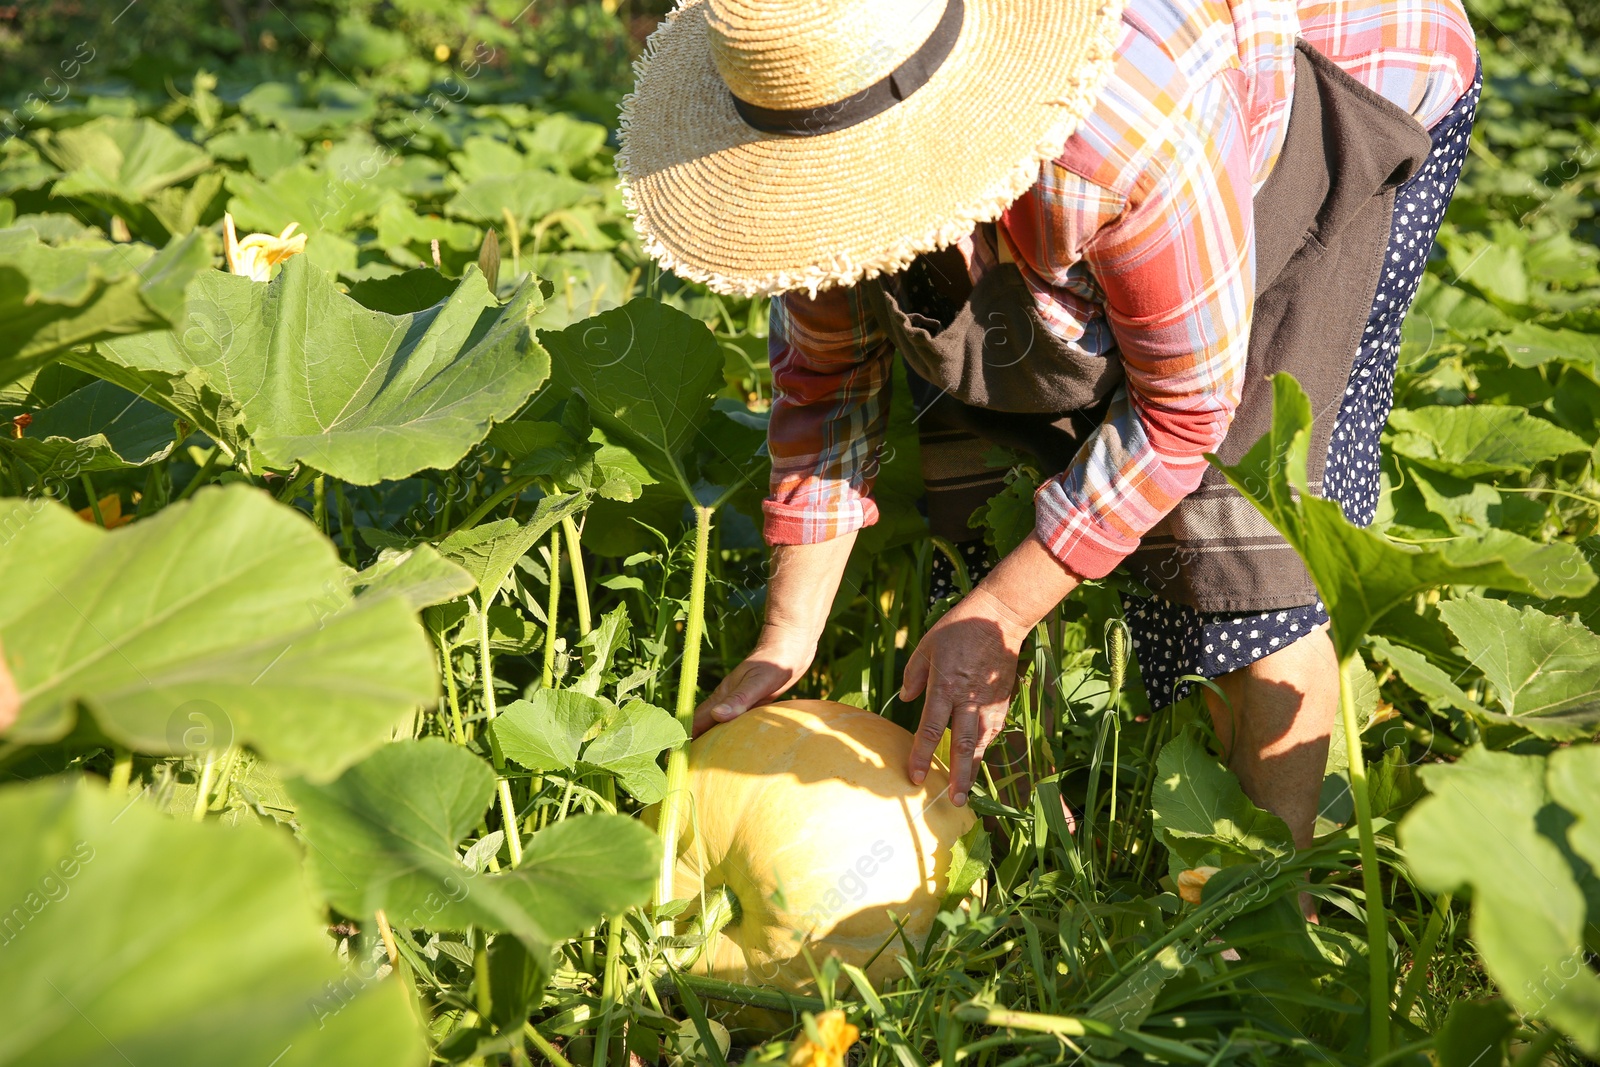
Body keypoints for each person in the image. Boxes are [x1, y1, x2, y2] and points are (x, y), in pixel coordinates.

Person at [618, 0, 1479, 855]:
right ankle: (1029, 852)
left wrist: (1005, 608)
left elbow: (1184, 411)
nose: (847, 217)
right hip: (1118, 168)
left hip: (1334, 81)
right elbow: (829, 379)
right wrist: (787, 637)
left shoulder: (1118, 133)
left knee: (1242, 537)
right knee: (972, 472)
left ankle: (1267, 912)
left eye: (861, 187)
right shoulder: (810, 148)